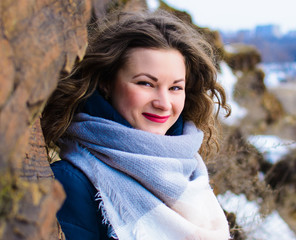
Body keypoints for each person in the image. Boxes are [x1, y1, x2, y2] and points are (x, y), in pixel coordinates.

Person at [41, 9, 231, 240]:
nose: (163, 103)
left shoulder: (190, 171)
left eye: (175, 88)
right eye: (146, 83)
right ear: (106, 83)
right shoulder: (72, 182)